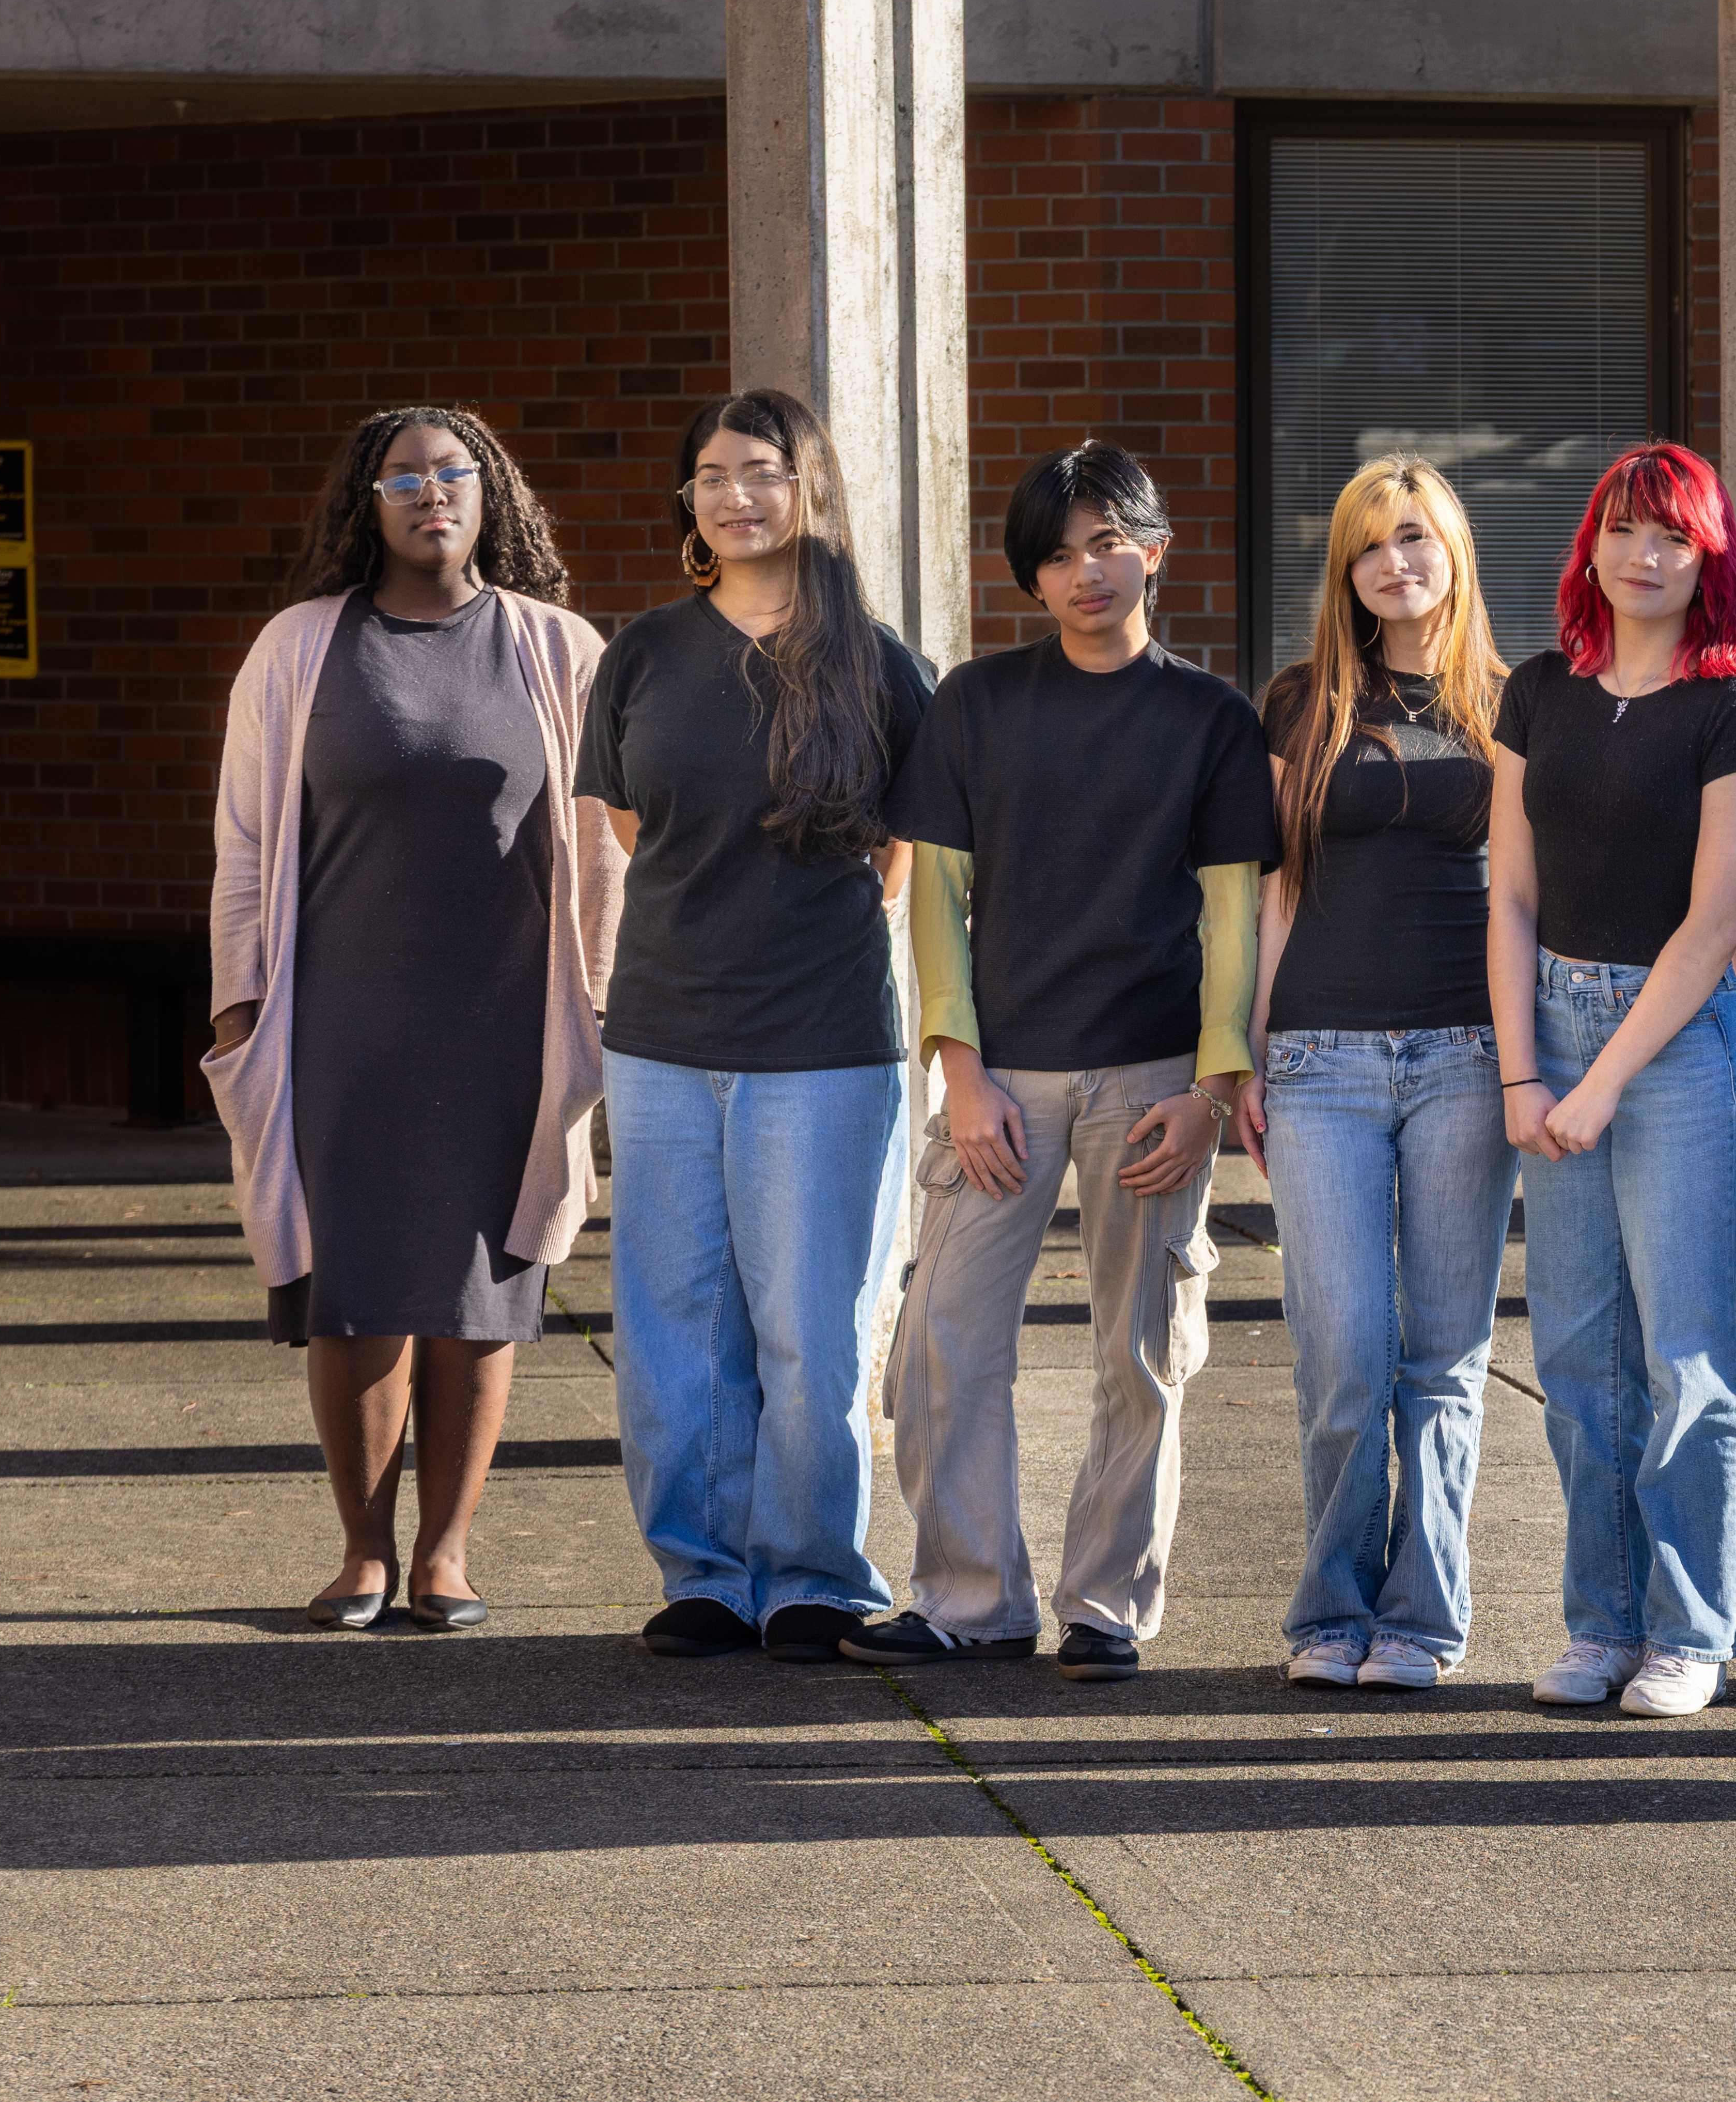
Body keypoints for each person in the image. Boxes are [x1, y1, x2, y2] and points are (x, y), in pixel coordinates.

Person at [848, 441, 1278, 1685]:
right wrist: (958, 1069)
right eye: (1055, 552)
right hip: (1004, 1081)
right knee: (940, 1342)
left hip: (1152, 1080)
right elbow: (935, 895)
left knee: (1141, 1349)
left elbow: (1234, 916)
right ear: (1028, 578)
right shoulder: (977, 705)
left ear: (1155, 552)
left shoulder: (1210, 719)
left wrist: (1211, 1090)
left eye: (1106, 543)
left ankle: (1105, 1604)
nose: (1083, 571)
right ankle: (973, 1597)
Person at [207, 405, 619, 1635]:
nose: (431, 494)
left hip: (506, 1012)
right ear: (366, 503)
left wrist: (596, 1003)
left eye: (453, 473)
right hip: (341, 1013)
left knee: (482, 1286)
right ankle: (361, 1551)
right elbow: (241, 838)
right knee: (354, 1286)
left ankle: (446, 1553)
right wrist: (240, 1005)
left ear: (491, 494)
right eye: (403, 478)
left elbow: (605, 846)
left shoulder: (558, 649)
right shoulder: (296, 648)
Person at [576, 388, 932, 1663]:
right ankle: (706, 1573)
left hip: (825, 1039)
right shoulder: (647, 655)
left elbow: (904, 857)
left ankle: (813, 1576)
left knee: (813, 1322)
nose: (737, 493)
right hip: (665, 1032)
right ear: (690, 502)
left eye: (764, 471)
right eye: (713, 474)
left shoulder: (879, 661)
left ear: (809, 490)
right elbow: (634, 832)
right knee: (676, 1315)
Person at [1489, 442, 1736, 1721]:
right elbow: (1507, 895)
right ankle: (1600, 1623)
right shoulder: (1539, 691)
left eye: (1673, 534)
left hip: (1675, 1044)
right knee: (1577, 1355)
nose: (1645, 553)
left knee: (1685, 1354)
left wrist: (1598, 1081)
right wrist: (1520, 1076)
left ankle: (1688, 1629)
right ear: (1590, 544)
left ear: (1708, 555)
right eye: (1624, 528)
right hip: (1548, 1023)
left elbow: (1717, 919)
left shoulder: (1735, 706)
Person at [1241, 458, 1516, 1692]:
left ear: (1454, 549)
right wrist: (1247, 1051)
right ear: (1345, 572)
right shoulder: (1300, 703)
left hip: (1468, 1053)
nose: (1396, 563)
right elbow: (1277, 890)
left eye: (1416, 538)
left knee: (1445, 1354)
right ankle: (1331, 1605)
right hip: (1322, 1059)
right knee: (1345, 1349)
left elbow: (1528, 899)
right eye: (1369, 546)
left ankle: (1424, 1617)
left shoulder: (1516, 706)